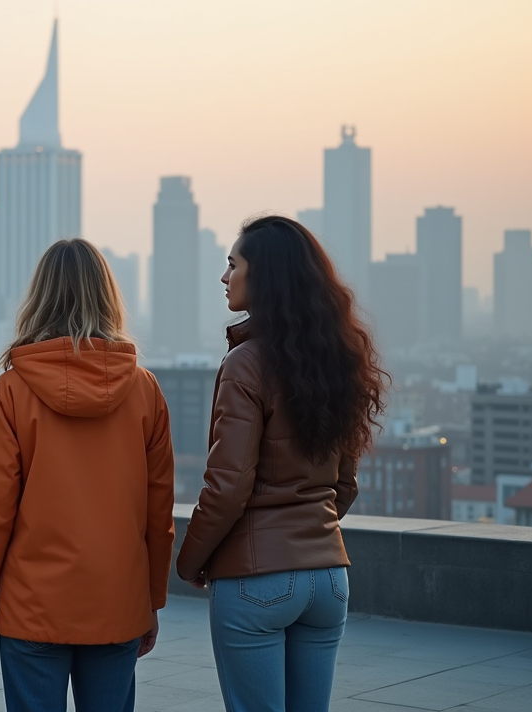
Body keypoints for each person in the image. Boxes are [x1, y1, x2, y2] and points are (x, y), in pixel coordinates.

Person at [176, 215, 388, 712]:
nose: (225, 277)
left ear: (264, 275)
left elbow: (228, 486)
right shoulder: (338, 358)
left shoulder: (245, 363)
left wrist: (191, 561)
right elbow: (345, 484)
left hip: (256, 579)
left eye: (233, 265)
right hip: (329, 579)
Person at [0, 238, 176, 712]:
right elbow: (158, 514)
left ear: (40, 298)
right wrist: (151, 600)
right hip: (118, 602)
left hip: (32, 605)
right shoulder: (144, 390)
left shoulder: (13, 390)